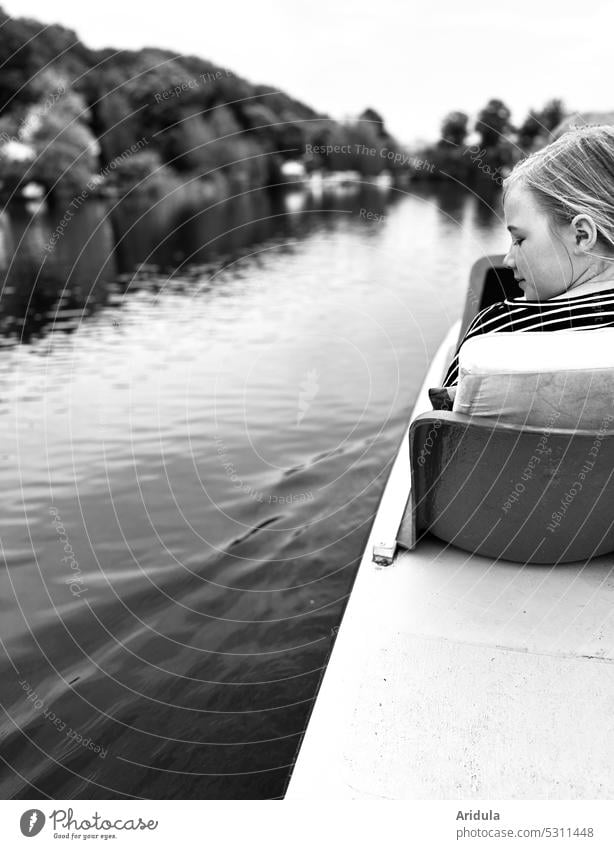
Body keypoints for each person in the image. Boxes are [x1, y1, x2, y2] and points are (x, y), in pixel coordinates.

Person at [430, 125, 614, 410]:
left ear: (582, 235)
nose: (508, 259)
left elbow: (439, 439)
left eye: (519, 239)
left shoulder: (495, 331)